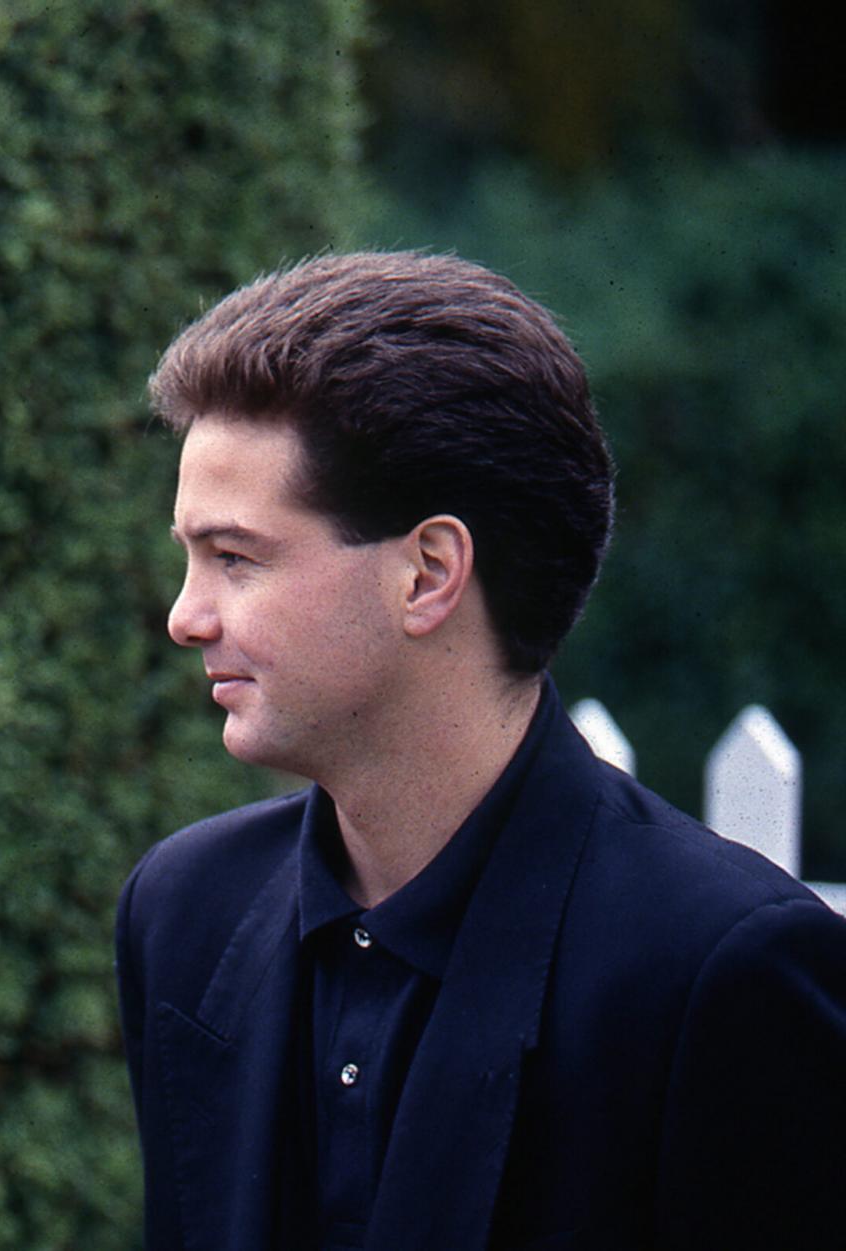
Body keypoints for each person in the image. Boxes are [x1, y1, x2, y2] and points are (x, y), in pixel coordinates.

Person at [115, 251, 846, 1250]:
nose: (183, 617)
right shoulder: (181, 912)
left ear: (426, 573)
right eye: (189, 559)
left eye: (234, 558)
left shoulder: (719, 971)